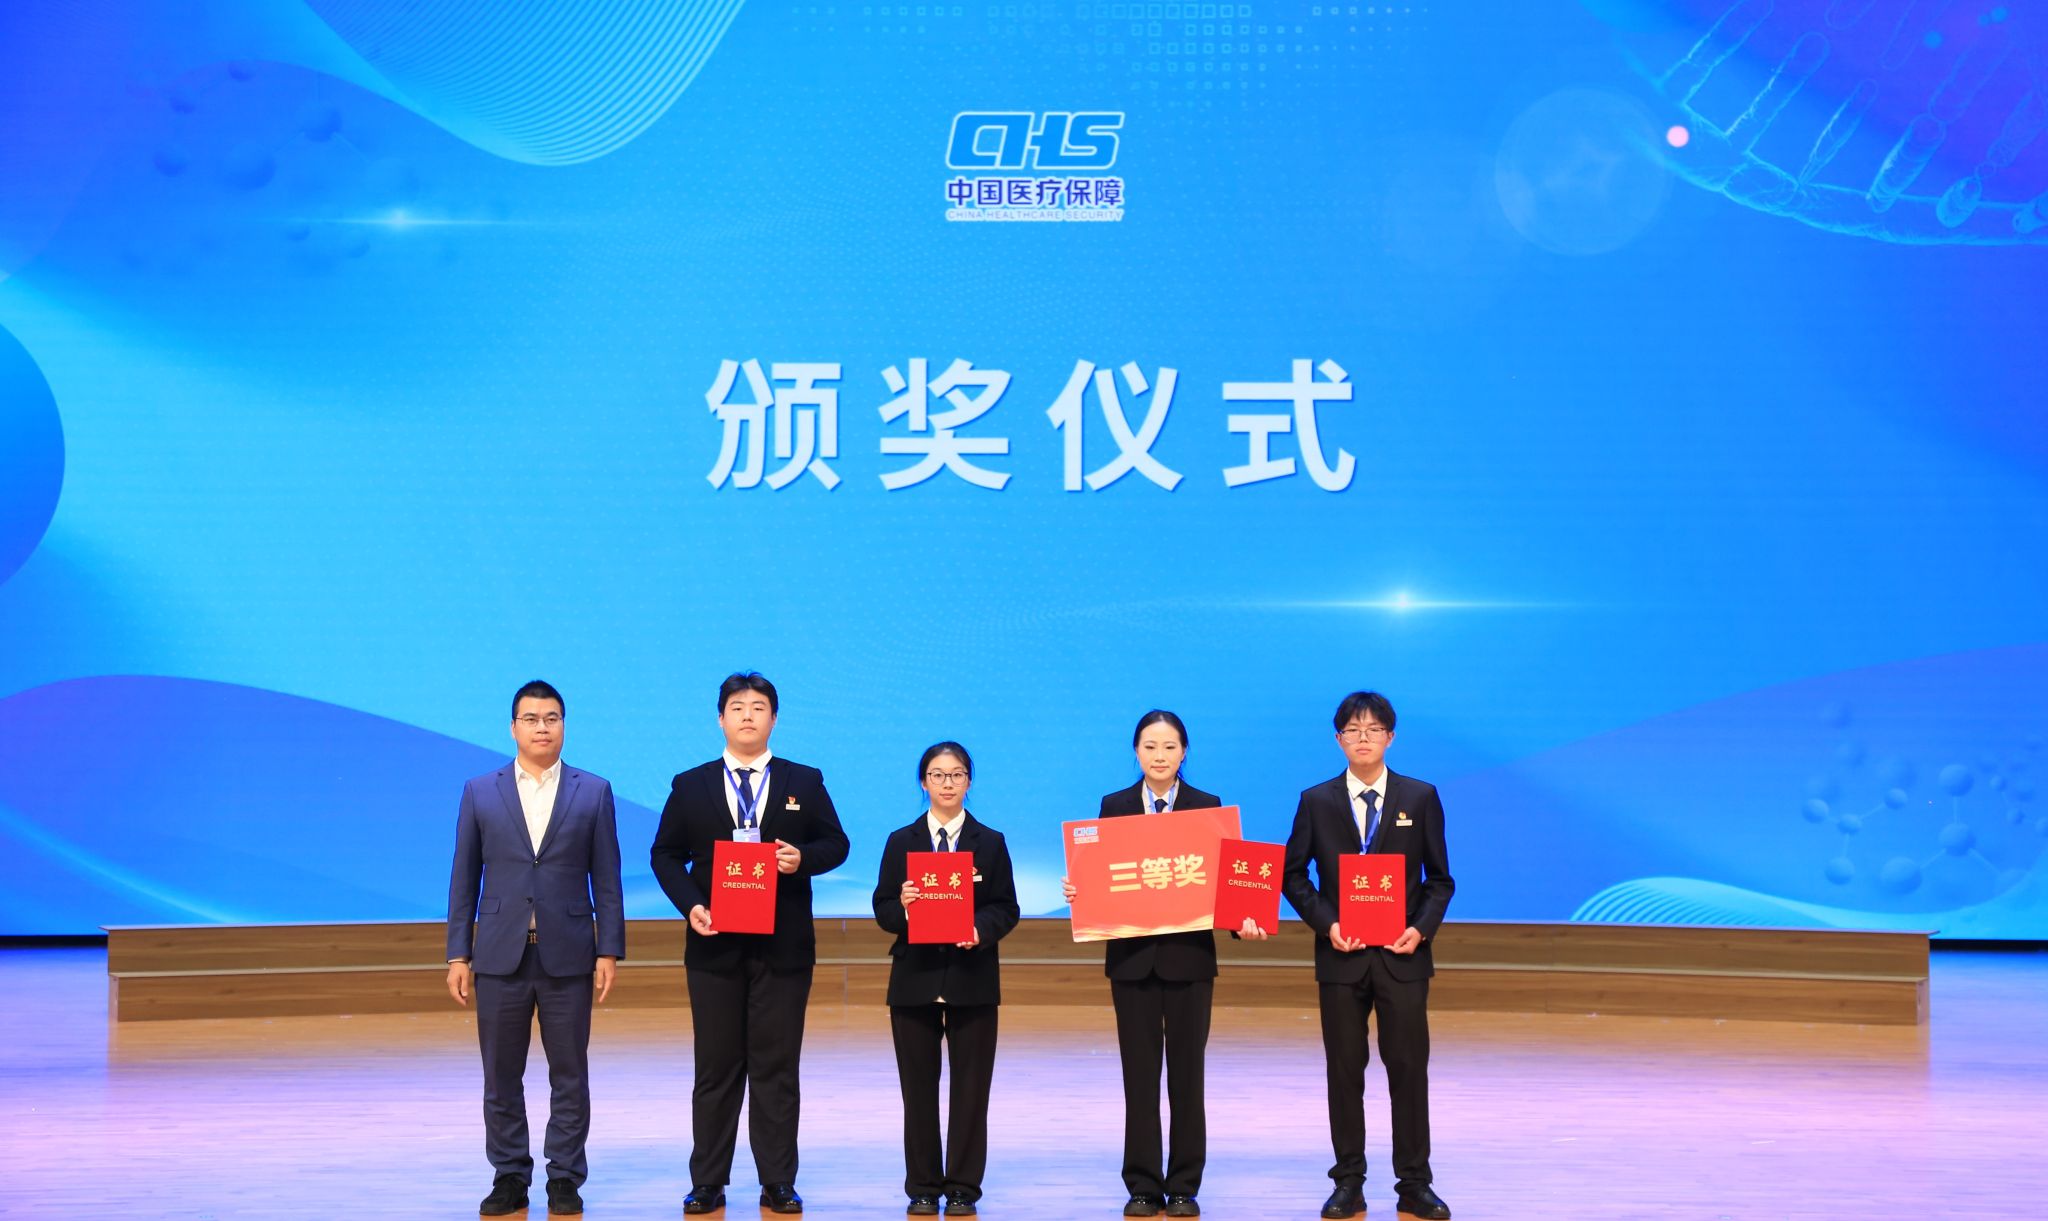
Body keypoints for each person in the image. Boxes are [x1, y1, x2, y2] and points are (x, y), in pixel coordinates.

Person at [649, 672, 850, 1215]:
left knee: (776, 1067)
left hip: (783, 948)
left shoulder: (803, 780)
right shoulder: (690, 785)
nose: (747, 715)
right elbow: (665, 854)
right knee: (716, 1067)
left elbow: (837, 843)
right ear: (720, 719)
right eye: (737, 707)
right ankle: (708, 1182)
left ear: (774, 719)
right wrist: (691, 904)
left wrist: (802, 859)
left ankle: (778, 1181)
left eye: (758, 707)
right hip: (714, 946)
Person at [1063, 710, 1267, 1218]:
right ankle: (1142, 1185)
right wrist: (1080, 891)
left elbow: (1225, 882)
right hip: (1132, 962)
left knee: (1186, 1079)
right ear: (1136, 751)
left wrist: (1243, 920)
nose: (1160, 756)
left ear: (1184, 752)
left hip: (1189, 961)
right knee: (1139, 1079)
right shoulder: (1114, 806)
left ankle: (1183, 1186)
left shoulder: (1207, 807)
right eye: (1150, 746)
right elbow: (1103, 876)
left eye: (1170, 746)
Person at [446, 680, 626, 1218]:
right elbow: (463, 878)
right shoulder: (481, 790)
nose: (542, 727)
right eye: (531, 718)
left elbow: (607, 879)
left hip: (568, 953)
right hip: (499, 954)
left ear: (563, 725)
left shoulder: (593, 791)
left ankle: (564, 1177)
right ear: (513, 728)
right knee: (501, 1074)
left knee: (569, 1073)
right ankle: (509, 1175)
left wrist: (608, 950)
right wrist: (458, 954)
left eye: (551, 718)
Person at [1281, 691, 1454, 1221]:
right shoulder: (1316, 800)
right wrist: (1327, 924)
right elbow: (1293, 875)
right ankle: (1348, 1182)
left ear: (1390, 738)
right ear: (1338, 739)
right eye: (1353, 730)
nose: (1363, 738)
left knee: (1408, 1070)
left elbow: (1440, 880)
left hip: (1402, 957)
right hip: (1342, 957)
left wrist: (1419, 930)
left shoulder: (1419, 797)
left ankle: (1415, 1185)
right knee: (1344, 1072)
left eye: (1374, 729)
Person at [871, 742, 1021, 1217]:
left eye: (956, 774)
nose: (947, 783)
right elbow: (882, 908)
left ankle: (962, 1188)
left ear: (969, 781)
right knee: (917, 1091)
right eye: (937, 775)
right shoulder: (902, 841)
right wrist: (904, 907)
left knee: (971, 1091)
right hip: (914, 979)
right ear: (924, 782)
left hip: (972, 978)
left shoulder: (989, 842)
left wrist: (980, 929)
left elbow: (1006, 907)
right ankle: (922, 1186)